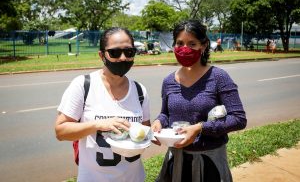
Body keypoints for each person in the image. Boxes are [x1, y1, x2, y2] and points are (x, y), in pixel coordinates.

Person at [151, 20, 247, 182]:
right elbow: (165, 114)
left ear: (203, 46)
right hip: (176, 161)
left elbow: (238, 119)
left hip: (209, 163)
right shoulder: (169, 81)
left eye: (192, 44)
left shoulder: (219, 77)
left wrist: (200, 128)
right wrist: (158, 122)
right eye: (180, 43)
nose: (185, 49)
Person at [55, 27, 151, 182]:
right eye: (114, 52)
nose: (122, 58)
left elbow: (146, 132)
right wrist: (98, 125)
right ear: (102, 55)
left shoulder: (140, 90)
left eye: (129, 52)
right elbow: (61, 131)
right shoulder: (83, 85)